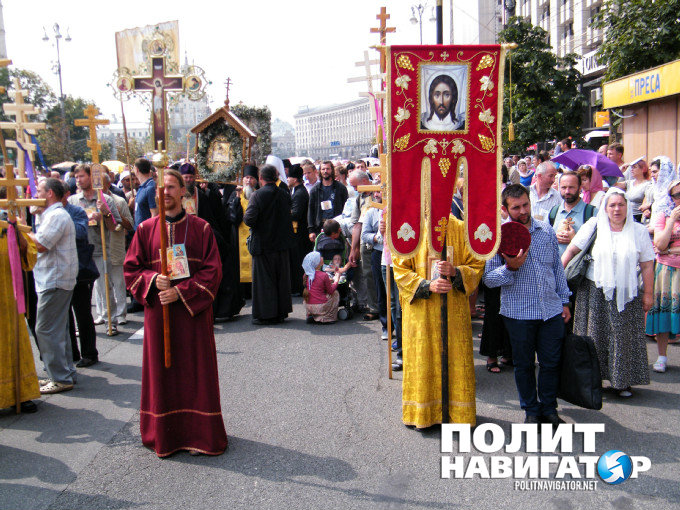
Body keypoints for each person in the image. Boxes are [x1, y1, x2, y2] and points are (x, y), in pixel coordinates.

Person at [123, 169, 227, 457]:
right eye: (161, 187)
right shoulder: (145, 230)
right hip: (159, 313)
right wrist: (152, 280)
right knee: (163, 373)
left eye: (171, 187)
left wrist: (182, 292)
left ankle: (199, 435)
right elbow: (131, 269)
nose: (165, 192)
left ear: (183, 191)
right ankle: (166, 434)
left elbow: (213, 271)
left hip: (192, 315)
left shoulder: (201, 228)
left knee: (195, 371)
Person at [484, 184, 571, 426]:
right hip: (518, 314)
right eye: (516, 207)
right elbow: (488, 280)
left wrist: (564, 300)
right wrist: (510, 268)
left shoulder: (546, 230)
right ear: (505, 209)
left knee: (551, 363)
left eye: (525, 205)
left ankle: (549, 409)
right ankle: (531, 411)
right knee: (523, 365)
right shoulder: (497, 237)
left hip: (551, 310)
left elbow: (557, 268)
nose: (522, 211)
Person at [393, 215, 484, 428]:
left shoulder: (461, 229)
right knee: (422, 358)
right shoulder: (410, 227)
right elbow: (399, 269)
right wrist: (426, 285)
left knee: (455, 358)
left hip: (453, 311)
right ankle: (422, 413)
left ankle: (458, 413)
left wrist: (456, 272)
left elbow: (477, 264)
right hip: (421, 314)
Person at [562, 188, 655, 398]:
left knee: (622, 337)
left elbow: (647, 265)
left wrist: (648, 294)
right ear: (605, 208)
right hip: (594, 292)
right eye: (612, 205)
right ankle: (592, 381)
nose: (617, 209)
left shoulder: (638, 231)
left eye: (621, 205)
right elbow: (570, 251)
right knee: (594, 337)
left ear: (627, 207)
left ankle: (621, 382)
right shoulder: (594, 225)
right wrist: (557, 281)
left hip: (627, 294)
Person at [29, 178, 78, 395]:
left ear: (49, 193)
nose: (35, 195)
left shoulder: (57, 215)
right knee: (58, 329)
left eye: (39, 190)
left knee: (45, 329)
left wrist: (20, 228)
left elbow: (40, 245)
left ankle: (60, 377)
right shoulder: (50, 214)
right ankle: (65, 373)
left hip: (55, 279)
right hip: (53, 278)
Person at [182, 163, 243, 321]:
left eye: (191, 177)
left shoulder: (201, 195)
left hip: (201, 238)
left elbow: (211, 217)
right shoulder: (176, 196)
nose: (188, 180)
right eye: (185, 177)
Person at [68, 164, 123, 333]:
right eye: (76, 177)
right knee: (81, 290)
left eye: (82, 176)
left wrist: (105, 213)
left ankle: (110, 321)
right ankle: (83, 323)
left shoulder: (105, 199)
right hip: (79, 250)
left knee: (105, 286)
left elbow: (114, 226)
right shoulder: (73, 201)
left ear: (91, 177)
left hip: (100, 248)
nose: (78, 180)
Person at [244, 164, 294, 325]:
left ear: (260, 178)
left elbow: (249, 219)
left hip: (263, 243)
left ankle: (266, 314)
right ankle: (281, 312)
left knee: (264, 281)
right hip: (281, 242)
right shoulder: (284, 193)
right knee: (281, 279)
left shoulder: (257, 195)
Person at [0, 215, 40, 412]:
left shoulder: (6, 224)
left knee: (14, 341)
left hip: (8, 298)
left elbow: (28, 257)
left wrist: (17, 235)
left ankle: (21, 394)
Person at [645, 179, 680, 373]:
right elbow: (659, 244)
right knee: (664, 314)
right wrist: (672, 220)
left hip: (669, 261)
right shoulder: (664, 216)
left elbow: (664, 248)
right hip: (666, 271)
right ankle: (662, 356)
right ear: (671, 197)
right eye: (677, 195)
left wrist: (670, 250)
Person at [227, 164, 259, 299]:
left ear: (256, 180)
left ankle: (254, 290)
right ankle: (242, 292)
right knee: (239, 263)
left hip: (255, 235)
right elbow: (233, 217)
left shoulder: (259, 194)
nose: (248, 181)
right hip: (238, 235)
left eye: (251, 178)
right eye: (246, 178)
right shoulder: (235, 195)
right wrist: (237, 198)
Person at [549, 172, 597, 256]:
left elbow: (599, 245)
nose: (567, 191)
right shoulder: (553, 212)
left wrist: (575, 240)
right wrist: (554, 238)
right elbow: (542, 239)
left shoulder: (592, 213)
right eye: (563, 187)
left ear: (580, 188)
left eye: (571, 187)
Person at [308, 161, 348, 241]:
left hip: (337, 226)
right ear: (320, 171)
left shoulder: (341, 188)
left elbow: (346, 208)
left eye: (328, 169)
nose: (325, 171)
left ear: (332, 170)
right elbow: (311, 210)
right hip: (320, 226)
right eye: (323, 169)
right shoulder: (315, 190)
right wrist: (311, 230)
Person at [288, 164, 311, 296]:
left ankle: (298, 287)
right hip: (298, 233)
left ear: (295, 179)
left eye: (289, 177)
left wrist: (285, 211)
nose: (287, 179)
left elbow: (296, 214)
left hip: (300, 234)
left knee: (298, 261)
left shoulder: (299, 193)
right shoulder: (297, 191)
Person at [302, 251, 341, 323]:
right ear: (317, 262)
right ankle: (327, 318)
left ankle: (311, 314)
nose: (322, 257)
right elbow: (330, 291)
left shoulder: (306, 275)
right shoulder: (324, 275)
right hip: (320, 306)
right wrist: (336, 280)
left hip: (308, 305)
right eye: (320, 257)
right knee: (335, 293)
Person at [615, 158, 651, 222]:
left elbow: (647, 200)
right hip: (627, 215)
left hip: (638, 216)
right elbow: (613, 184)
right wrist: (620, 171)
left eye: (634, 167)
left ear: (643, 169)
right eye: (631, 167)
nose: (631, 170)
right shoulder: (629, 183)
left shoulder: (648, 184)